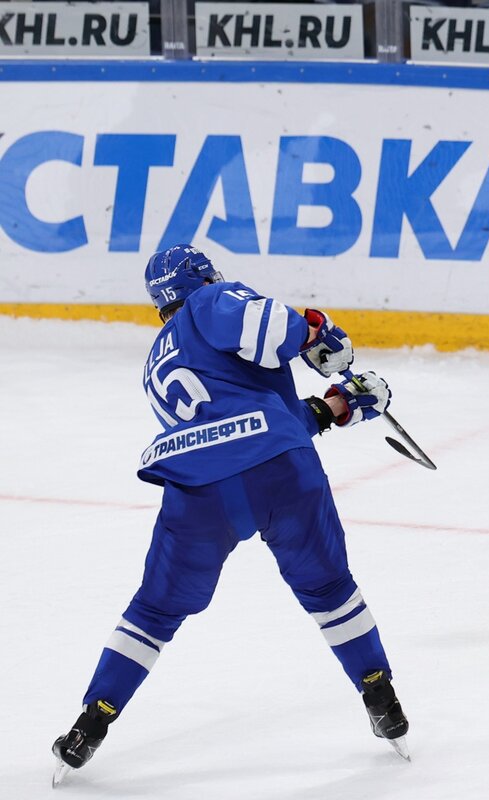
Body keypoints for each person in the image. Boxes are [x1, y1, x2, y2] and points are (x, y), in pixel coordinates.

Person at [51, 244, 409, 784]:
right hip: (281, 474)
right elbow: (272, 331)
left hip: (198, 491)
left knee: (155, 610)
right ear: (205, 278)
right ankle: (380, 695)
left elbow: (242, 420)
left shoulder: (156, 361)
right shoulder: (210, 303)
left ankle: (90, 724)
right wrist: (317, 331)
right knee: (329, 587)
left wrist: (338, 405)